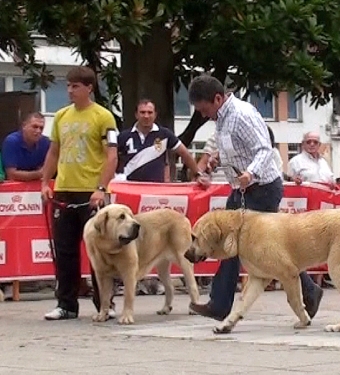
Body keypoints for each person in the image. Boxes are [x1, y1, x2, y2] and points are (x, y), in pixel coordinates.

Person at [187, 74, 323, 321]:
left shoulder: (242, 115)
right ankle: (309, 291)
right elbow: (237, 147)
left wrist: (251, 172)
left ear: (217, 98)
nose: (204, 115)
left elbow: (264, 149)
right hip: (240, 190)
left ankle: (221, 304)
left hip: (262, 188)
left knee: (248, 246)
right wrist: (218, 159)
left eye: (205, 109)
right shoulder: (222, 118)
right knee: (235, 243)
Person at [40, 66, 118, 321]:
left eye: (75, 86)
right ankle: (66, 304)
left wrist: (101, 188)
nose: (70, 91)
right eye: (68, 86)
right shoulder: (61, 116)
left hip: (91, 193)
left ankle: (105, 303)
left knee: (100, 249)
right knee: (64, 250)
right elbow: (53, 152)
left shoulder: (104, 116)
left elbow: (112, 155)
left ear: (89, 88)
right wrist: (45, 183)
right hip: (64, 190)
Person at [115, 98, 204, 295]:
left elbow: (184, 153)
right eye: (142, 112)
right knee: (130, 241)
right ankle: (131, 280)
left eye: (150, 112)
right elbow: (112, 159)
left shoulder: (164, 135)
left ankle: (155, 282)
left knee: (154, 243)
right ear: (136, 114)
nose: (146, 116)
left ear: (155, 114)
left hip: (155, 198)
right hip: (130, 197)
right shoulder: (123, 137)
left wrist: (197, 173)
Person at [1, 112, 50, 182]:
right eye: (35, 127)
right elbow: (11, 175)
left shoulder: (45, 142)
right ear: (24, 126)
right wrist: (39, 174)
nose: (38, 131)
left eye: (41, 128)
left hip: (35, 187)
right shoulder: (11, 141)